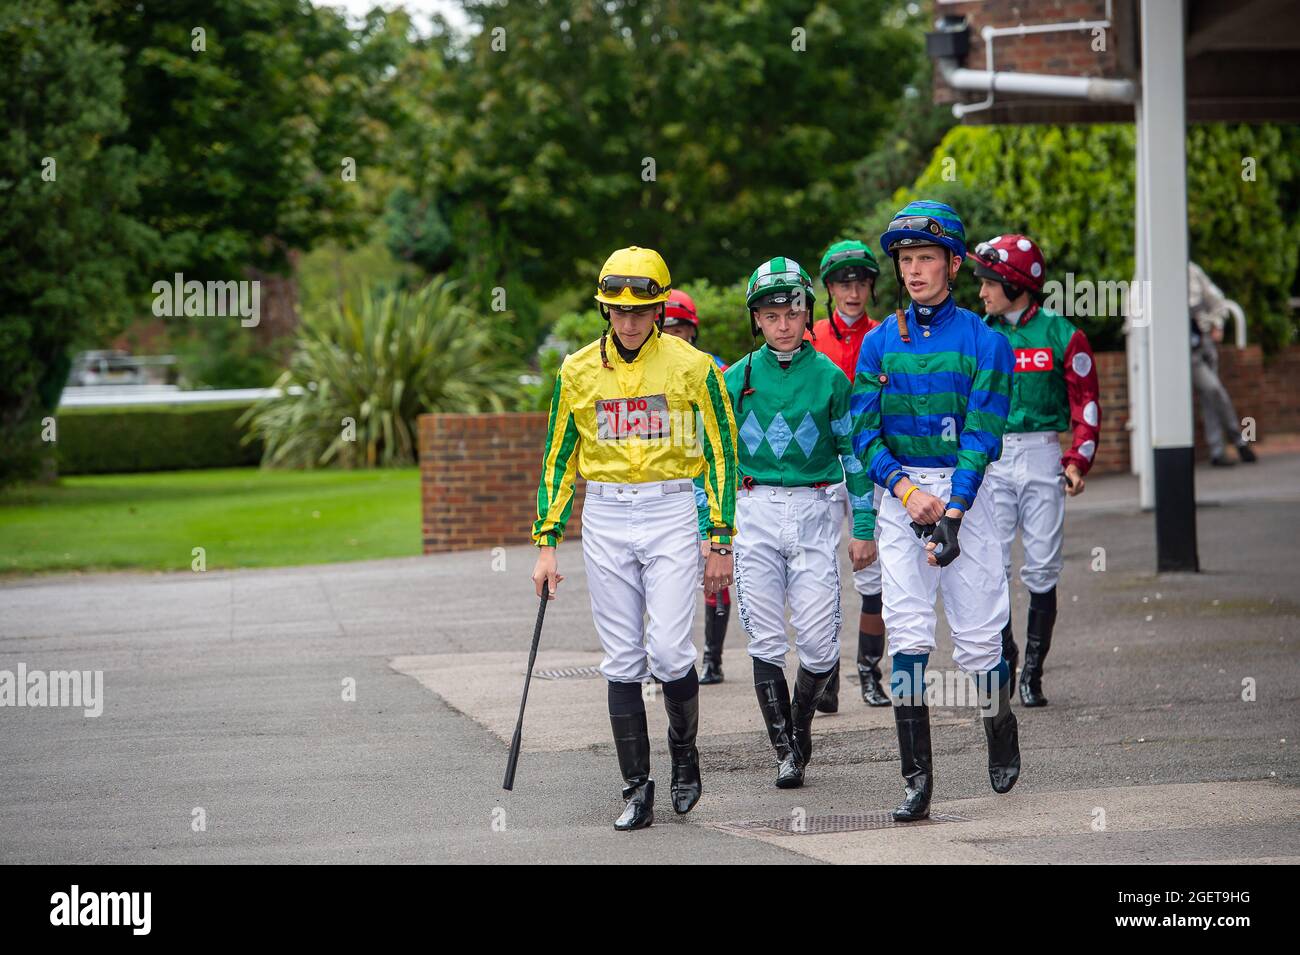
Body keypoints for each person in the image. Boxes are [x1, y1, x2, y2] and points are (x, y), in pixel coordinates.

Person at [530, 247, 738, 831]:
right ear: (604, 311)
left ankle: (685, 754)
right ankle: (635, 787)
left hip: (672, 510)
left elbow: (722, 450)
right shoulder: (576, 370)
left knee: (671, 651)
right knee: (621, 657)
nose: (628, 322)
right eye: (617, 311)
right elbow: (557, 458)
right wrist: (546, 543)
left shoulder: (693, 366)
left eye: (641, 310)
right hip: (606, 516)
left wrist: (719, 535)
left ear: (659, 309)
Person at [851, 200, 1020, 822]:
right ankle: (916, 781)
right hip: (903, 496)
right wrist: (903, 491)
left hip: (968, 491)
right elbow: (862, 435)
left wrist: (952, 510)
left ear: (952, 263)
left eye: (926, 259)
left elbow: (983, 433)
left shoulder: (985, 342)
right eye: (905, 260)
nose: (914, 271)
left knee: (978, 641)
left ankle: (1000, 731)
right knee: (909, 632)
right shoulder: (876, 345)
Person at [726, 258, 877, 788]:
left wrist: (863, 524)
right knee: (766, 641)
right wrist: (715, 531)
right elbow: (715, 461)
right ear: (757, 321)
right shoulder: (735, 378)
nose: (783, 324)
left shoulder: (832, 379)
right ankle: (784, 749)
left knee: (817, 643)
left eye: (791, 312)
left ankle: (801, 722)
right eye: (770, 315)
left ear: (807, 312)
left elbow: (853, 454)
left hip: (816, 509)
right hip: (755, 511)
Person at [973, 234, 1101, 707]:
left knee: (1042, 566)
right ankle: (1005, 658)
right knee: (992, 562)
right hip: (991, 458)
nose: (981, 292)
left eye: (988, 283)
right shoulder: (978, 335)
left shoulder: (1064, 335)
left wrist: (1078, 459)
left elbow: (1086, 402)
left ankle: (1033, 672)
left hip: (1044, 453)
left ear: (1015, 283)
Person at [808, 239, 891, 710]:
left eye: (861, 282)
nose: (853, 291)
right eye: (844, 283)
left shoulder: (886, 335)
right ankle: (826, 679)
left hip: (869, 462)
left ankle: (868, 672)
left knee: (870, 573)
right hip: (821, 466)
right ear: (830, 289)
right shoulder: (809, 335)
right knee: (819, 574)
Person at [661, 289, 734, 685]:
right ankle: (669, 657)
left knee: (712, 569)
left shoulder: (715, 369)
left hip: (705, 479)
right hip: (666, 481)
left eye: (681, 327)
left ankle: (713, 658)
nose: (673, 333)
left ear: (693, 330)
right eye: (668, 326)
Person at [1188, 261, 1256, 467]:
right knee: (1214, 390)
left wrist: (1217, 324)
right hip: (1184, 351)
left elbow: (1216, 299)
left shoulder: (1191, 271)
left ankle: (1218, 450)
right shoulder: (1150, 272)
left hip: (1204, 342)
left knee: (1211, 397)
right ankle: (1238, 441)